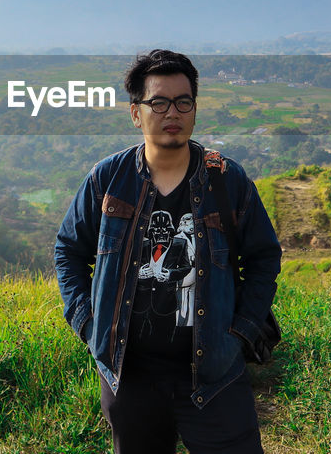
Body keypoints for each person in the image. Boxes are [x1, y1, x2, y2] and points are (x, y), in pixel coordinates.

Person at [55, 49, 282, 453]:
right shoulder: (109, 179)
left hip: (214, 374)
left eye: (183, 101)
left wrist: (241, 332)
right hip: (129, 375)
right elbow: (69, 250)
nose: (171, 112)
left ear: (194, 109)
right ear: (135, 112)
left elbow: (263, 258)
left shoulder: (227, 181)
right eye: (158, 102)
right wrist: (89, 326)